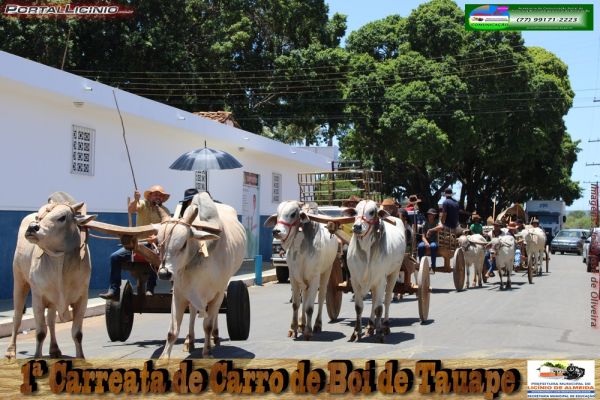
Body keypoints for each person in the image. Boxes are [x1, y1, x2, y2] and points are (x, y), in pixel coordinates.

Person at [99, 185, 171, 300]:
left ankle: (150, 288)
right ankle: (114, 290)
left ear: (163, 199)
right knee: (114, 257)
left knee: (156, 258)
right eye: (156, 194)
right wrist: (136, 199)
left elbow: (168, 229)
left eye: (161, 196)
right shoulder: (142, 204)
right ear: (150, 196)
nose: (158, 197)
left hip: (155, 245)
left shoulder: (165, 211)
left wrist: (156, 238)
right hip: (137, 244)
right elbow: (131, 209)